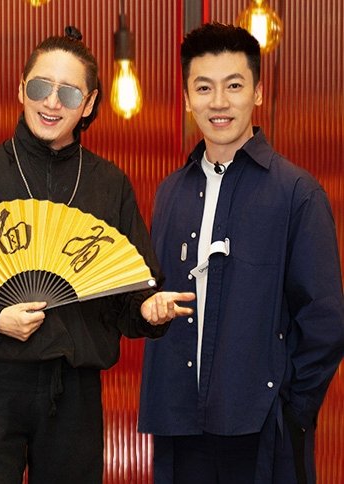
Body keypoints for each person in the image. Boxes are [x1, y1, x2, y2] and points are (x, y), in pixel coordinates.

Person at [0, 27, 194, 484]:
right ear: (20, 89)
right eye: (40, 87)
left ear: (88, 104)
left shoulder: (109, 184)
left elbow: (129, 293)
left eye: (68, 93)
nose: (51, 103)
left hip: (74, 392)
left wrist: (148, 311)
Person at [138, 23, 344, 484]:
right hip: (178, 421)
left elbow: (325, 321)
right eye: (203, 88)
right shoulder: (170, 192)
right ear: (187, 98)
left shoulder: (297, 192)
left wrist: (290, 409)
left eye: (234, 86)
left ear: (258, 93)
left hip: (262, 428)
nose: (219, 102)